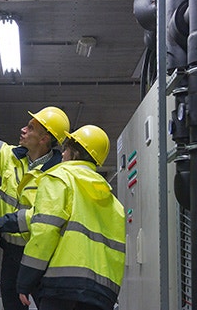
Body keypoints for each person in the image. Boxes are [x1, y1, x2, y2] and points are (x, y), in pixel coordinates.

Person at [16, 125, 126, 310]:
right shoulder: (114, 203)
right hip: (101, 295)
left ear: (72, 152)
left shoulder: (59, 178)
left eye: (66, 149)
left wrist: (25, 280)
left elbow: (44, 231)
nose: (63, 154)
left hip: (62, 289)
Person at [0, 106, 70, 310]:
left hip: (44, 256)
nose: (23, 130)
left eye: (31, 128)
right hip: (10, 254)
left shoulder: (60, 173)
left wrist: (3, 223)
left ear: (44, 139)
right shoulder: (10, 157)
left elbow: (45, 217)